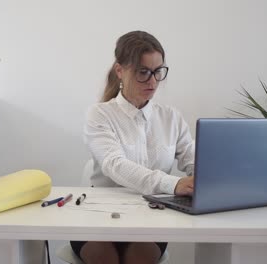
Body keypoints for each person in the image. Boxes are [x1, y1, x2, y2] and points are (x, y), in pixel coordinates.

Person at [71, 30, 195, 264]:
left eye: (158, 71)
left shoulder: (171, 117)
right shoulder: (99, 114)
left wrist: (207, 173)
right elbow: (114, 165)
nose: (152, 81)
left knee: (139, 257)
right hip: (99, 216)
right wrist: (174, 183)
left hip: (152, 218)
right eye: (143, 72)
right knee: (105, 257)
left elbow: (193, 159)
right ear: (120, 70)